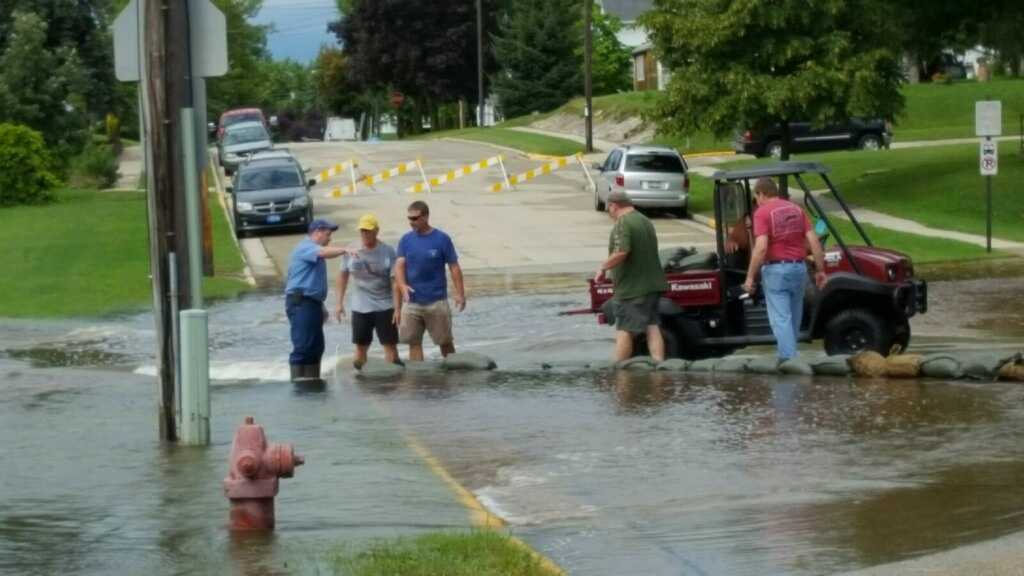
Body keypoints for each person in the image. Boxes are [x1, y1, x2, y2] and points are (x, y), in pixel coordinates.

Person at [742, 177, 827, 361]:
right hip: (799, 269)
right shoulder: (796, 209)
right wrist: (820, 271)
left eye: (756, 197)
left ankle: (790, 361)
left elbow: (761, 247)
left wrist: (750, 277)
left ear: (762, 193)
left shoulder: (762, 213)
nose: (756, 201)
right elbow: (813, 241)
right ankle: (789, 355)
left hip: (776, 271)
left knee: (780, 319)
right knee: (794, 318)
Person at [594, 191, 670, 362]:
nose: (609, 212)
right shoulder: (644, 220)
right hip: (651, 286)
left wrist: (603, 267)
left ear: (614, 205)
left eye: (609, 208)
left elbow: (622, 251)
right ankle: (659, 364)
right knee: (652, 326)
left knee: (624, 329)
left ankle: (619, 370)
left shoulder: (623, 223)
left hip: (632, 289)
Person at [395, 201, 466, 361]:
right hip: (412, 302)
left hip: (436, 302)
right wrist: (402, 285)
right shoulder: (405, 240)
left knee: (445, 343)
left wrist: (460, 294)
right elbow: (399, 266)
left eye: (415, 218)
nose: (411, 222)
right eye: (409, 218)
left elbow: (454, 267)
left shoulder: (442, 239)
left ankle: (453, 374)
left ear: (426, 216)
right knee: (413, 343)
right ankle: (418, 382)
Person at [285, 219, 349, 381]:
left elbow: (311, 283)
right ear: (317, 232)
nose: (329, 239)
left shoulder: (314, 251)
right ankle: (298, 384)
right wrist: (345, 250)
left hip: (311, 302)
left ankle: (312, 382)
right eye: (328, 235)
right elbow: (323, 253)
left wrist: (320, 305)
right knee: (304, 346)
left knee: (316, 347)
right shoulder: (306, 247)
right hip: (300, 302)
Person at [335, 214, 402, 369]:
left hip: (385, 306)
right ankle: (360, 382)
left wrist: (397, 308)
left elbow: (395, 281)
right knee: (360, 347)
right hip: (360, 306)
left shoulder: (388, 251)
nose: (365, 234)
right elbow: (342, 276)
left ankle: (394, 384)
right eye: (362, 231)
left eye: (368, 231)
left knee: (390, 347)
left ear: (376, 231)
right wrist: (339, 303)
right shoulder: (351, 250)